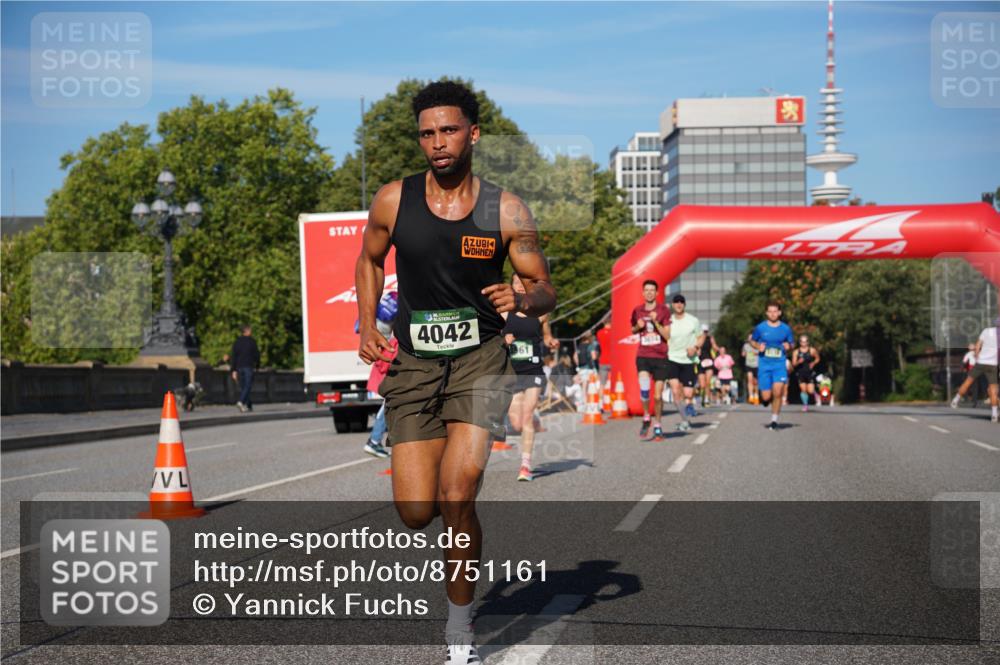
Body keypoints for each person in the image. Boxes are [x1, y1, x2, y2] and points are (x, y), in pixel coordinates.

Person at [355, 80, 556, 665]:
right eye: (427, 133)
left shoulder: (505, 209)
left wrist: (524, 300)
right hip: (414, 364)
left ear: (474, 133)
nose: (438, 143)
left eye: (448, 130)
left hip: (480, 361)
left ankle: (460, 627)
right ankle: (455, 528)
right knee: (418, 511)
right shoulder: (393, 200)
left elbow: (545, 288)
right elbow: (368, 260)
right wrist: (367, 323)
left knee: (458, 493)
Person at [503, 274, 558, 481]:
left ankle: (525, 465)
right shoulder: (505, 312)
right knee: (517, 424)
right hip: (513, 372)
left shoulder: (540, 313)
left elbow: (547, 336)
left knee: (526, 416)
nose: (519, 286)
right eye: (515, 283)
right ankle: (533, 420)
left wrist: (551, 341)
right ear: (511, 286)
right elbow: (492, 337)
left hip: (534, 370)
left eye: (522, 283)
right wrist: (504, 339)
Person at [630, 279, 672, 440]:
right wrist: (638, 326)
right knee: (644, 388)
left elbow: (667, 336)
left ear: (657, 293)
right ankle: (647, 416)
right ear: (643, 293)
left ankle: (658, 424)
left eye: (652, 290)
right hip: (643, 355)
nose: (649, 293)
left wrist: (656, 322)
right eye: (646, 290)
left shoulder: (663, 310)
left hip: (660, 357)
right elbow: (633, 329)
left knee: (658, 396)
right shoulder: (637, 310)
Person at [364, 292, 400, 459]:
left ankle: (376, 441)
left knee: (388, 409)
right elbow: (385, 363)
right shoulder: (393, 341)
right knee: (386, 409)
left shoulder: (388, 338)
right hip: (388, 379)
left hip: (385, 378)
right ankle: (374, 440)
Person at [752, 302, 795, 430]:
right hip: (764, 365)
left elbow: (792, 344)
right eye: (770, 311)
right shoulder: (760, 328)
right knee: (766, 396)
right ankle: (765, 399)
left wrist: (789, 346)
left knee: (778, 392)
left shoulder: (786, 329)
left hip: (779, 365)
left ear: (779, 313)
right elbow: (752, 341)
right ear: (766, 313)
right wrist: (758, 346)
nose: (773, 314)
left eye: (775, 311)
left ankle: (774, 420)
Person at [665, 293, 704, 432]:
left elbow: (701, 337)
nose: (679, 304)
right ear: (672, 305)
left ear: (684, 305)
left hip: (688, 360)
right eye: (676, 302)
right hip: (672, 358)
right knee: (676, 391)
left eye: (681, 302)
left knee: (687, 393)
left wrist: (696, 347)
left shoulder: (693, 320)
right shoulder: (667, 321)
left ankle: (689, 407)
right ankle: (684, 420)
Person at [950, 317, 999, 423]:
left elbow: (978, 345)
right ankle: (994, 415)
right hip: (993, 364)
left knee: (968, 381)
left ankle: (955, 400)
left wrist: (977, 355)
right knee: (993, 389)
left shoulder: (986, 331)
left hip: (981, 362)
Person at [230, 324, 260, 412]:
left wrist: (233, 370)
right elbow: (256, 355)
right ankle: (241, 401)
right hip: (248, 366)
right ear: (247, 331)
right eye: (250, 330)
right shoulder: (252, 342)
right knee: (248, 385)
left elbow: (234, 356)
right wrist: (257, 365)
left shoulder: (237, 342)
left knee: (244, 387)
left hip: (239, 367)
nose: (251, 332)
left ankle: (249, 405)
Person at [791, 335, 821, 412]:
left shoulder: (812, 350)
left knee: (810, 391)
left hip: (809, 372)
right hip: (800, 373)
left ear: (808, 342)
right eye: (802, 341)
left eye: (805, 341)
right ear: (800, 342)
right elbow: (793, 364)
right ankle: (805, 405)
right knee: (803, 390)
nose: (803, 343)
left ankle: (816, 395)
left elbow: (817, 358)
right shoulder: (796, 352)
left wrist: (813, 363)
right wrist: (798, 362)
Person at [697, 324, 719, 407]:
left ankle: (707, 399)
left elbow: (714, 346)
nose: (705, 333)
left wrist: (718, 349)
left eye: (706, 331)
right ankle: (702, 398)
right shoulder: (697, 339)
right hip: (700, 362)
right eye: (703, 331)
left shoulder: (710, 338)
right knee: (702, 384)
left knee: (708, 382)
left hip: (709, 361)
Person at [741, 332, 760, 405]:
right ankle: (751, 396)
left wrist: (756, 353)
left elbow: (762, 352)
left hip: (757, 365)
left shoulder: (757, 344)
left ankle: (756, 396)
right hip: (748, 364)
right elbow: (743, 354)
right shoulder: (745, 345)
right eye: (749, 338)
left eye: (751, 338)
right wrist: (744, 354)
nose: (750, 339)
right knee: (749, 380)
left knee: (756, 382)